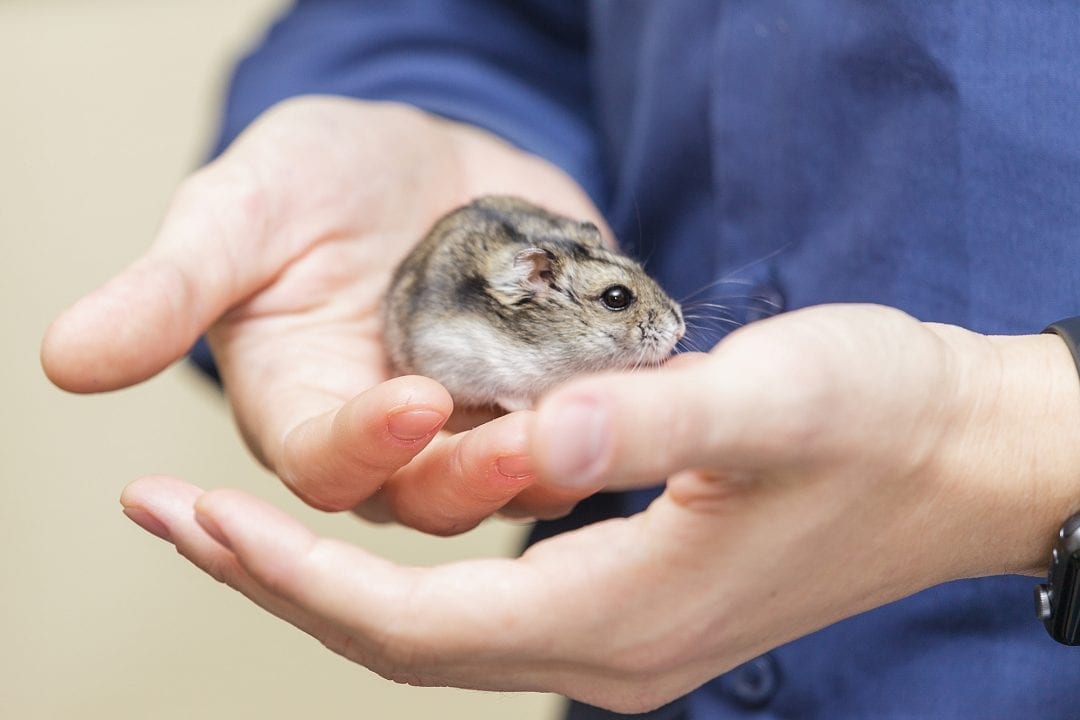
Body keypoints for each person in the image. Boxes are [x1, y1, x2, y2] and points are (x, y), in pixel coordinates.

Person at [41, 2, 1080, 717]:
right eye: (624, 302)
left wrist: (1027, 437)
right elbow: (484, 20)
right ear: (535, 284)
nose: (659, 324)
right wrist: (428, 103)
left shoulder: (558, 301)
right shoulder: (507, 301)